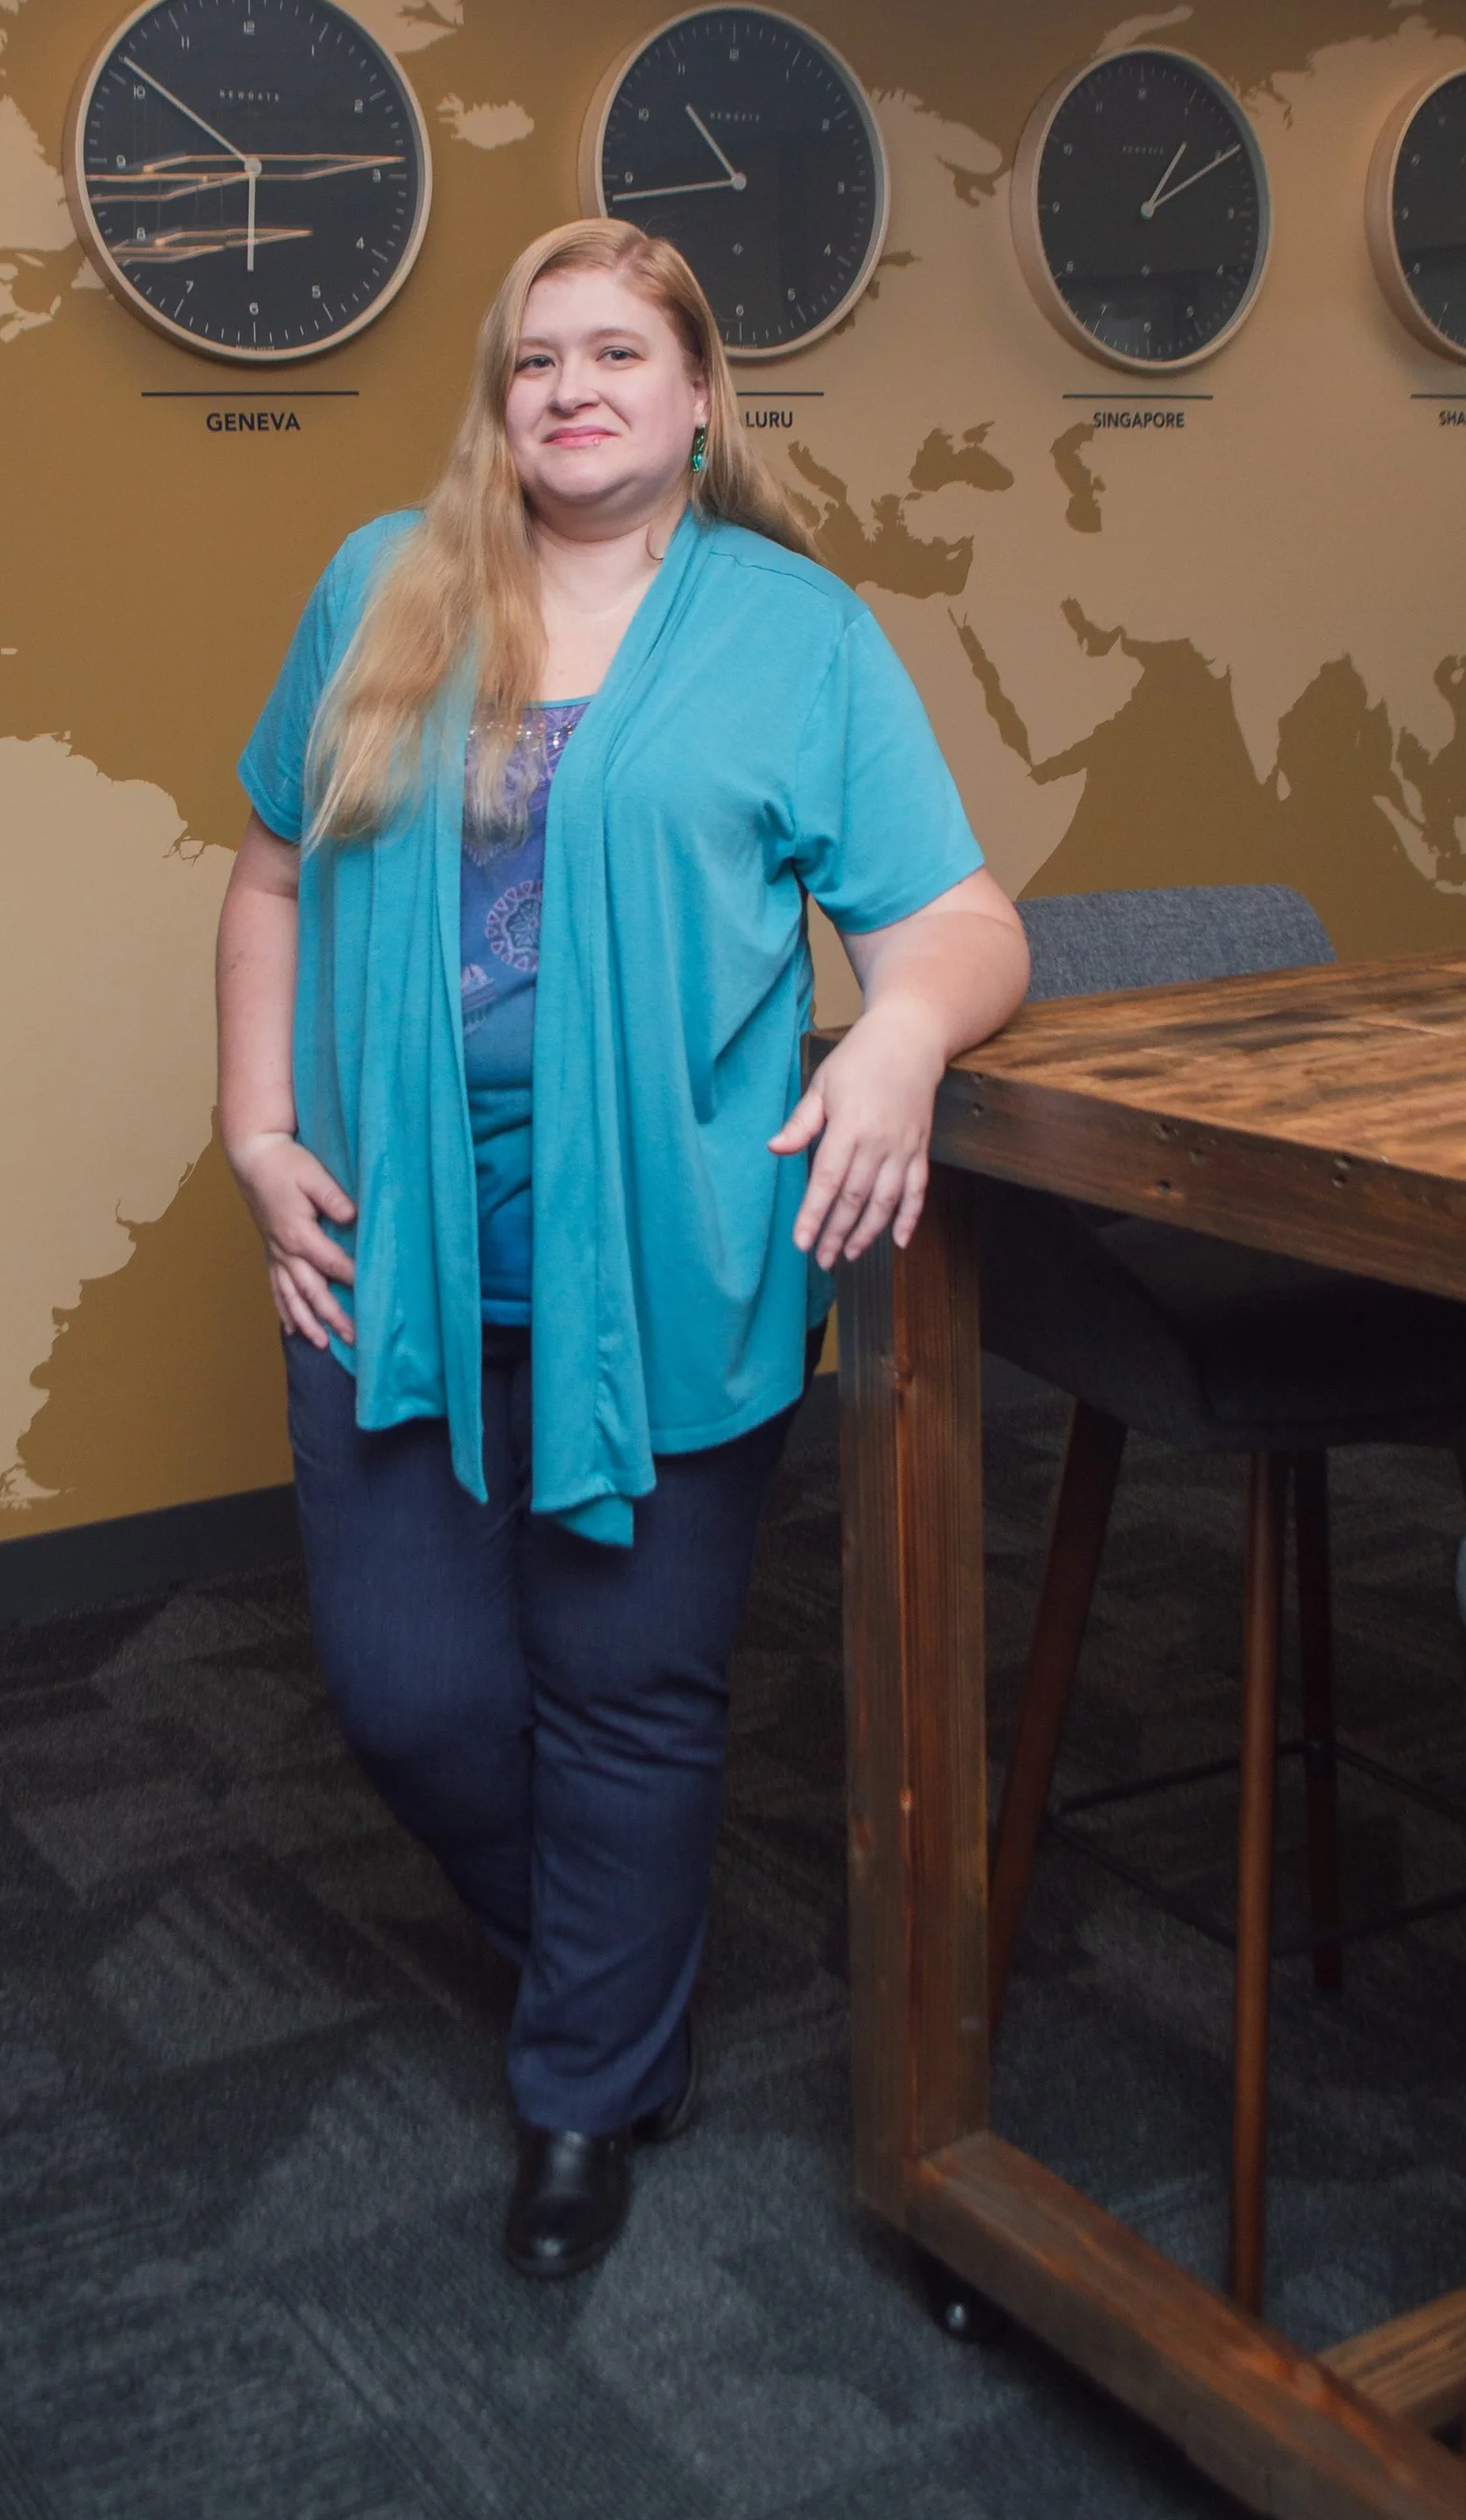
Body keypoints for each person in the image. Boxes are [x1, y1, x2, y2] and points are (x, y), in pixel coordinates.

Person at [216, 217, 1029, 2280]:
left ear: (692, 398)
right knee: (411, 1701)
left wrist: (901, 1043)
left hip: (672, 1253)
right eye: (531, 358)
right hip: (388, 1249)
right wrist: (251, 1129)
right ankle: (610, 1964)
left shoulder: (795, 632)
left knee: (628, 1689)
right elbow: (265, 868)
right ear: (499, 402)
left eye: (613, 354)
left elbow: (955, 917)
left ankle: (585, 2080)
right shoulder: (370, 588)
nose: (569, 388)